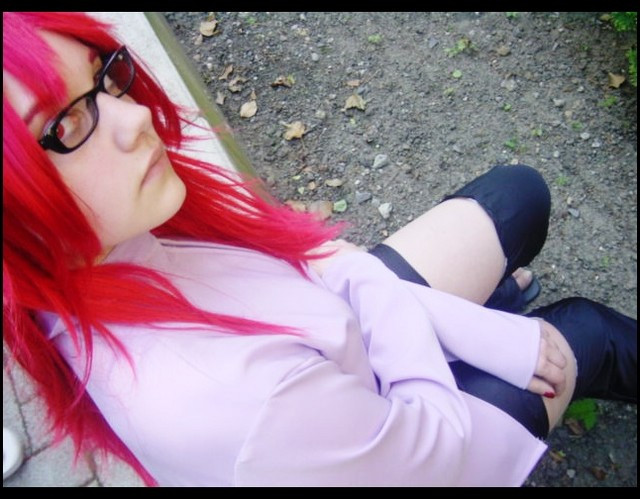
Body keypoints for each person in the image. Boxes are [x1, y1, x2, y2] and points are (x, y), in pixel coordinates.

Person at [2, 12, 636, 487]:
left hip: (342, 356)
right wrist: (465, 329)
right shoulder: (227, 400)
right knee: (585, 332)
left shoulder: (119, 240)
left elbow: (315, 266)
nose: (135, 117)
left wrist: (465, 325)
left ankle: (491, 308)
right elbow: (440, 452)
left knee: (515, 198)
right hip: (405, 446)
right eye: (65, 126)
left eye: (104, 80)